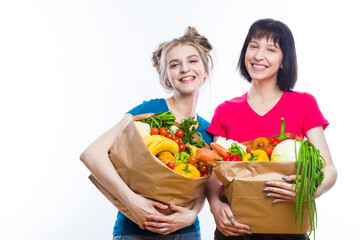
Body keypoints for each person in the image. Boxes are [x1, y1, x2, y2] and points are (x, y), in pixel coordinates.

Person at [205, 18, 337, 240]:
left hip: (287, 230)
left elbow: (329, 169)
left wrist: (311, 188)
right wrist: (215, 205)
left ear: (284, 60)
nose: (258, 56)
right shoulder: (226, 110)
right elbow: (212, 171)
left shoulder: (304, 104)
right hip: (236, 230)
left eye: (271, 49)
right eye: (253, 46)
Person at [80, 26, 213, 240]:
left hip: (188, 233)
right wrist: (132, 201)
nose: (185, 69)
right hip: (136, 231)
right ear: (167, 77)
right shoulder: (150, 111)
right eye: (174, 64)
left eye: (192, 61)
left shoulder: (208, 130)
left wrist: (191, 215)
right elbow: (92, 154)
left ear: (205, 70)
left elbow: (205, 184)